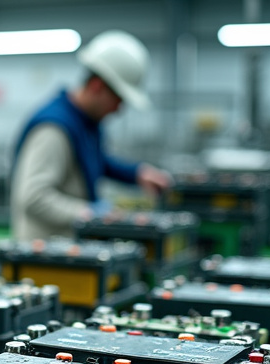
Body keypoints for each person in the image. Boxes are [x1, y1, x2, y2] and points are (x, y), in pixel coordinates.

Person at [10, 30, 172, 241]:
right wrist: (91, 213)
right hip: (45, 256)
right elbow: (33, 198)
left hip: (69, 249)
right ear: (97, 87)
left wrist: (137, 173)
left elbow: (96, 160)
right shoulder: (53, 130)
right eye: (118, 99)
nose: (118, 109)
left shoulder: (85, 123)